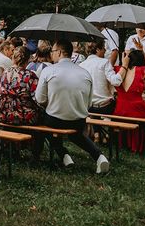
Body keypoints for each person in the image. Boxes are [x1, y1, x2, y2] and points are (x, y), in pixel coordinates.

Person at [34, 39, 110, 174]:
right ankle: (99, 157)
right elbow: (88, 103)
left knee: (42, 123)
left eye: (53, 51)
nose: (51, 54)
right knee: (76, 135)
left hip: (55, 119)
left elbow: (40, 99)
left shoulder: (49, 71)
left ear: (59, 52)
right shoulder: (85, 73)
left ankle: (63, 155)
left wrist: (51, 104)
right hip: (79, 120)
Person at [113, 50, 145, 153]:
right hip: (136, 108)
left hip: (120, 108)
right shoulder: (141, 70)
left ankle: (123, 142)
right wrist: (140, 88)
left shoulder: (118, 70)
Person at [0, 46, 40, 125]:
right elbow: (37, 98)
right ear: (27, 60)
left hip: (5, 114)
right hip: (25, 117)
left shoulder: (4, 73)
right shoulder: (30, 75)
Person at [80, 41, 123, 115]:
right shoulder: (104, 62)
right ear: (97, 50)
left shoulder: (81, 65)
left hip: (88, 107)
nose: (105, 50)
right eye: (103, 48)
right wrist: (124, 67)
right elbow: (116, 82)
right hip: (105, 107)